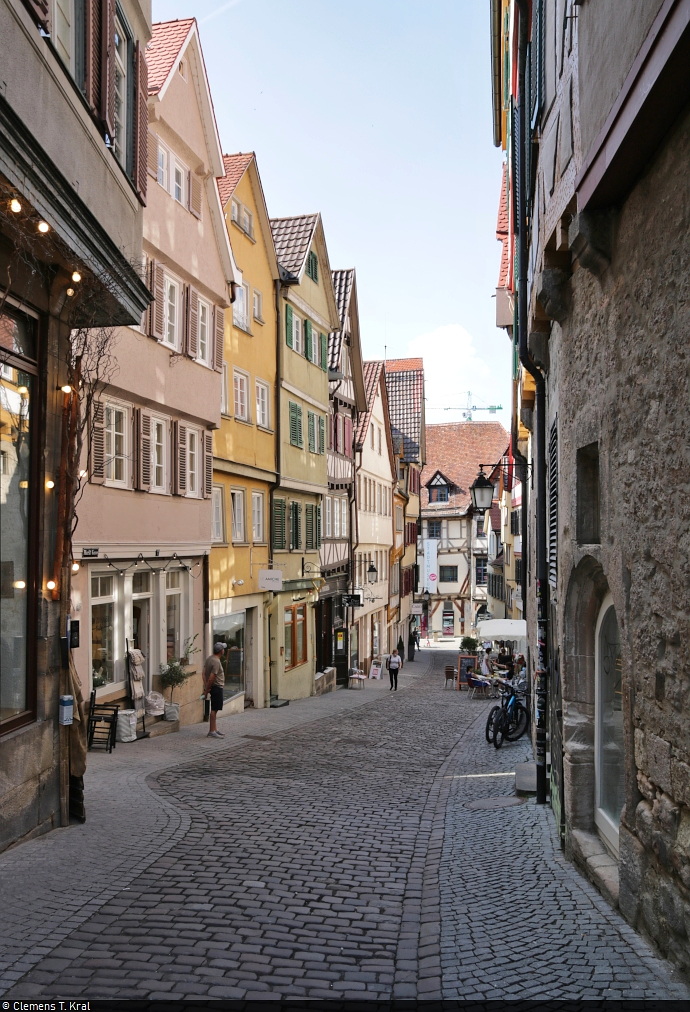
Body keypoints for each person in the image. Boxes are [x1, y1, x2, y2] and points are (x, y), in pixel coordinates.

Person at [203, 642, 226, 738]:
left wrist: (206, 686)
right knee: (214, 709)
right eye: (223, 649)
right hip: (216, 687)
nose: (224, 650)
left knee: (215, 709)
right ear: (221, 651)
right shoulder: (216, 661)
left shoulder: (209, 658)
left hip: (213, 687)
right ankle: (212, 731)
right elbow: (212, 677)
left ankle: (215, 729)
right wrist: (207, 689)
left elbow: (203, 673)